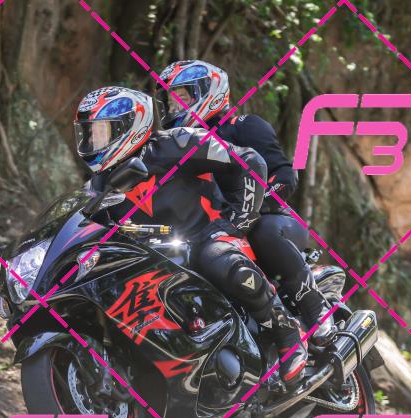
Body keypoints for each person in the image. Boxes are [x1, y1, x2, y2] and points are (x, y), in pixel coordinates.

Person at [74, 86, 308, 385]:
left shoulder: (179, 142)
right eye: (89, 134)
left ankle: (287, 332)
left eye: (101, 132)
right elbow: (85, 229)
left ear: (130, 125)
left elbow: (250, 161)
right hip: (158, 255)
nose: (93, 141)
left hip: (211, 235)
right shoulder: (97, 186)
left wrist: (241, 218)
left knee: (219, 260)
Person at [156, 60, 335, 346]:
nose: (176, 106)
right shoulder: (175, 146)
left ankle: (315, 306)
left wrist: (248, 211)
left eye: (184, 97)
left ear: (209, 92)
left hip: (271, 220)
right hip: (215, 232)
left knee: (262, 232)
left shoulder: (245, 126)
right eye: (171, 100)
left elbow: (285, 177)